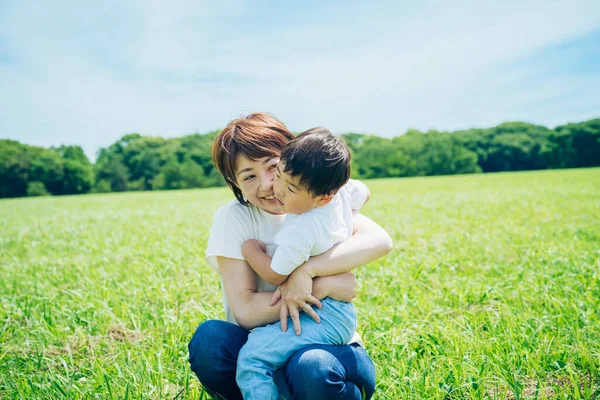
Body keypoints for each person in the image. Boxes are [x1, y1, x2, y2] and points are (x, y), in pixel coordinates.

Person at [188, 112, 393, 400]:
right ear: (235, 184)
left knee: (311, 366)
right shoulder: (234, 218)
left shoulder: (318, 201)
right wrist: (324, 286)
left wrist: (307, 272)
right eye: (249, 176)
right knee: (211, 341)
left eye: (273, 167)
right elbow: (245, 312)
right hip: (262, 342)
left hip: (331, 353)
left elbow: (380, 240)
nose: (268, 184)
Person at [236, 128, 373, 399]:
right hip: (337, 311)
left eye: (291, 189)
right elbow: (364, 192)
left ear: (324, 197)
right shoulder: (339, 191)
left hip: (323, 315)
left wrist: (250, 249)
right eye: (281, 178)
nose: (278, 190)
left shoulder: (301, 229)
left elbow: (275, 274)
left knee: (252, 357)